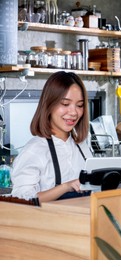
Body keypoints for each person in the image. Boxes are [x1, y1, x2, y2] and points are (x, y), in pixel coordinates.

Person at [11, 71, 93, 202]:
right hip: (49, 221)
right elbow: (22, 200)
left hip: (80, 219)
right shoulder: (35, 149)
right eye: (65, 104)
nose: (73, 112)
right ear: (49, 104)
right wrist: (66, 187)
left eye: (79, 105)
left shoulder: (81, 146)